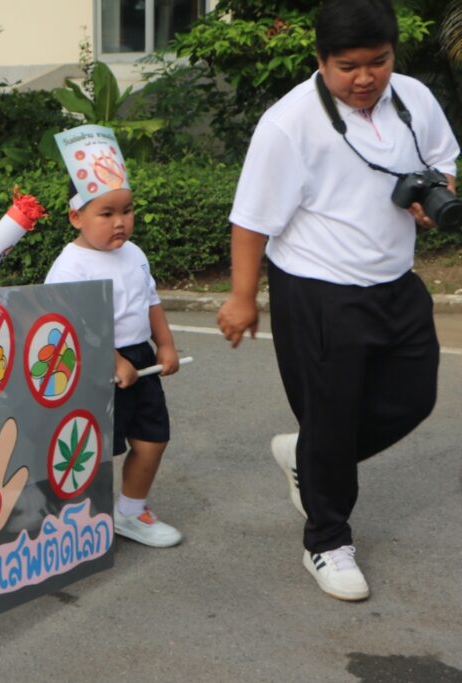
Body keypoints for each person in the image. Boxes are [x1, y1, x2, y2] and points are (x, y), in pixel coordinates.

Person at [217, 0, 459, 601]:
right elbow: (250, 221)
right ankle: (326, 541)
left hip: (395, 281)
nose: (365, 78)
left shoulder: (413, 99)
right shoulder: (288, 123)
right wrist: (243, 297)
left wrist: (436, 197)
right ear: (321, 60)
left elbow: (441, 161)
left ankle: (309, 457)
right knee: (331, 412)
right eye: (348, 66)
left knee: (414, 397)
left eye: (379, 61)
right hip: (317, 289)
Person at [45, 125, 182, 548]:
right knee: (91, 449)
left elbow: (150, 300)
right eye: (106, 213)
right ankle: (74, 521)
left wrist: (165, 344)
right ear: (76, 216)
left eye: (127, 210)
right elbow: (65, 328)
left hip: (141, 359)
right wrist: (110, 359)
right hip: (91, 365)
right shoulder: (70, 267)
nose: (120, 222)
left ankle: (130, 511)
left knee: (153, 438)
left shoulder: (134, 253)